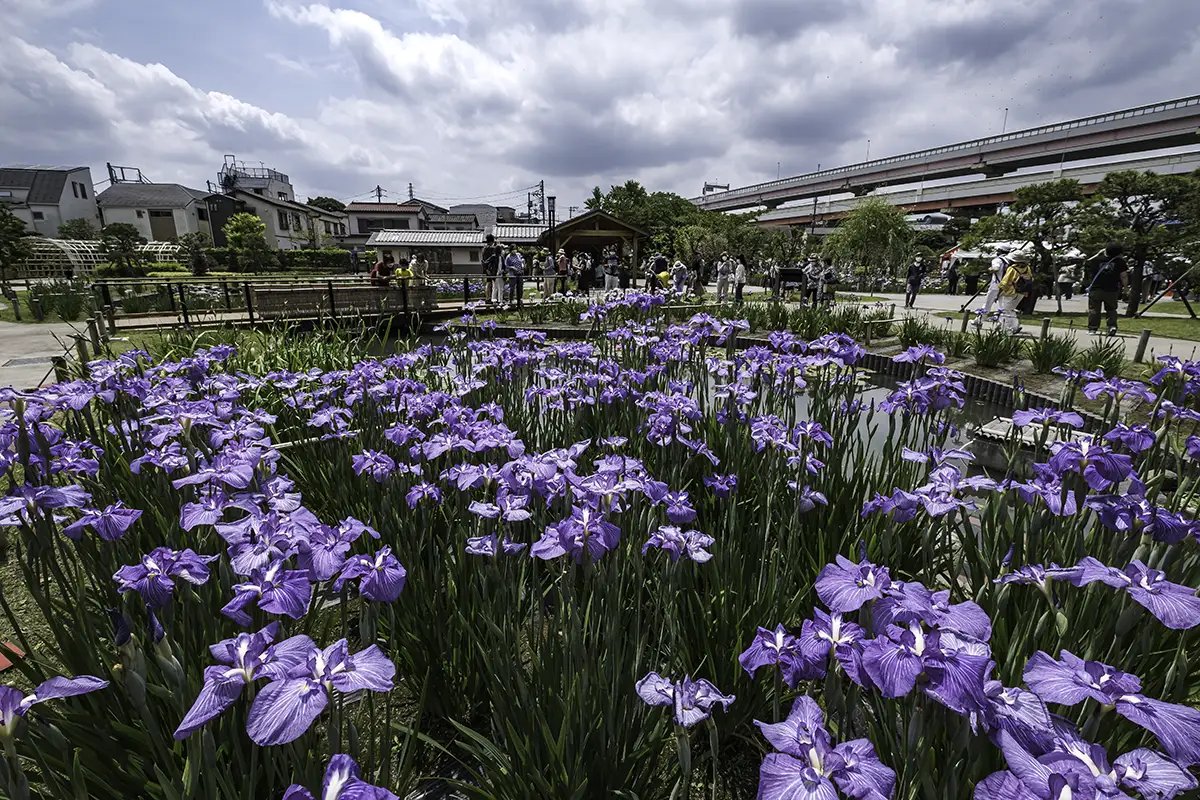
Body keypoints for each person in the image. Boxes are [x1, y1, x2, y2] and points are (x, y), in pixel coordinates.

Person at [1086, 243, 1129, 336]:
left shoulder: (1097, 260)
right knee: (1111, 309)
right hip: (1112, 289)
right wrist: (1125, 288)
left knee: (1094, 309)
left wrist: (1098, 254)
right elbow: (1124, 276)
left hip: (1096, 288)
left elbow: (1087, 261)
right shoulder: (1120, 262)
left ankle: (1092, 328)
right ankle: (1111, 326)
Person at [997, 251, 1034, 332]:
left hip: (1010, 292)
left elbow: (1005, 282)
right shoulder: (1027, 268)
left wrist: (999, 292)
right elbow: (1030, 278)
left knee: (1004, 310)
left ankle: (1006, 328)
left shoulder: (1012, 268)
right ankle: (1014, 326)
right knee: (1011, 309)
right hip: (1022, 292)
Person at [981, 246, 1011, 315]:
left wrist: (989, 269)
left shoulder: (997, 260)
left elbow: (996, 268)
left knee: (987, 304)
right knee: (1002, 306)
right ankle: (1001, 322)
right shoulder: (1009, 261)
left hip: (996, 284)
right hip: (1006, 285)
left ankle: (979, 320)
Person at [482, 233, 503, 305]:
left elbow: (484, 260)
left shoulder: (484, 248)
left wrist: (485, 269)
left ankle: (488, 298)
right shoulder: (492, 248)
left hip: (487, 269)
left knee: (489, 283)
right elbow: (498, 250)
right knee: (492, 284)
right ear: (492, 240)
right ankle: (490, 298)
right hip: (492, 269)